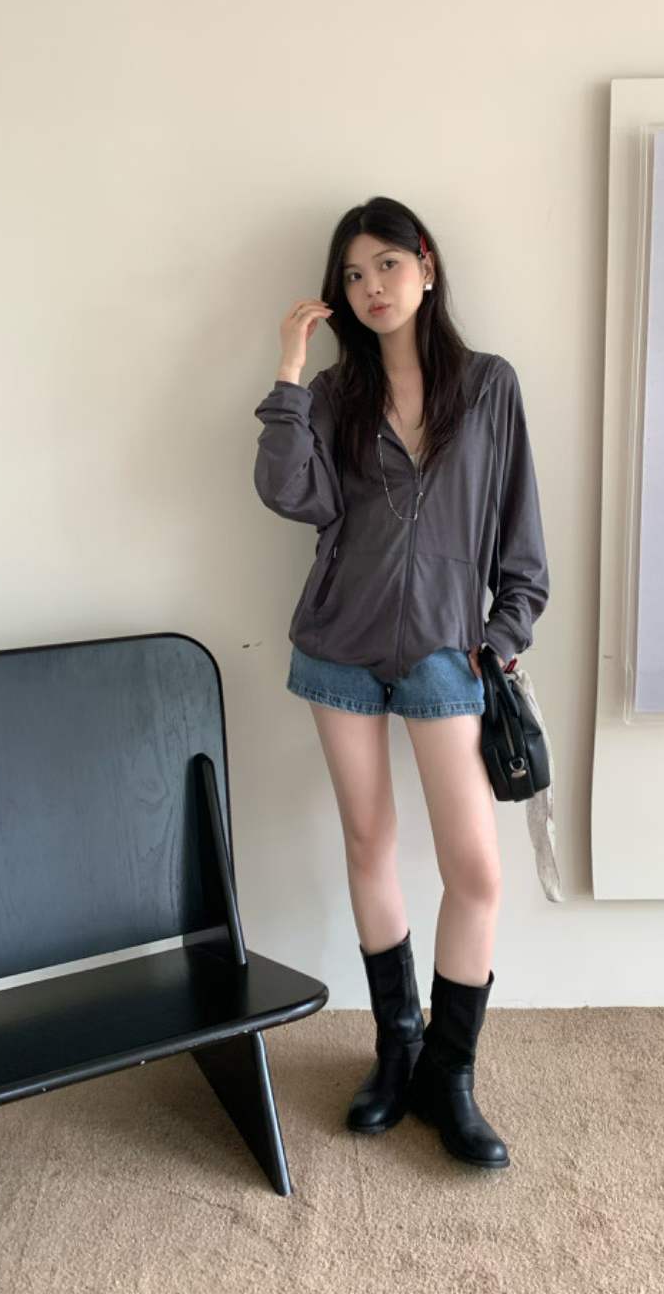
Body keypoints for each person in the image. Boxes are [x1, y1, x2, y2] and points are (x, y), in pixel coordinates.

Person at [253, 195, 549, 1170]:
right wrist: (289, 374)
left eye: (386, 263)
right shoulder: (335, 395)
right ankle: (398, 1050)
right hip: (338, 645)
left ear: (425, 263)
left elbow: (521, 537)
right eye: (353, 274)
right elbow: (291, 494)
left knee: (477, 871)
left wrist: (498, 638)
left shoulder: (489, 387)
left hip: (444, 655)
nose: (372, 286)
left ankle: (449, 1077)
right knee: (368, 841)